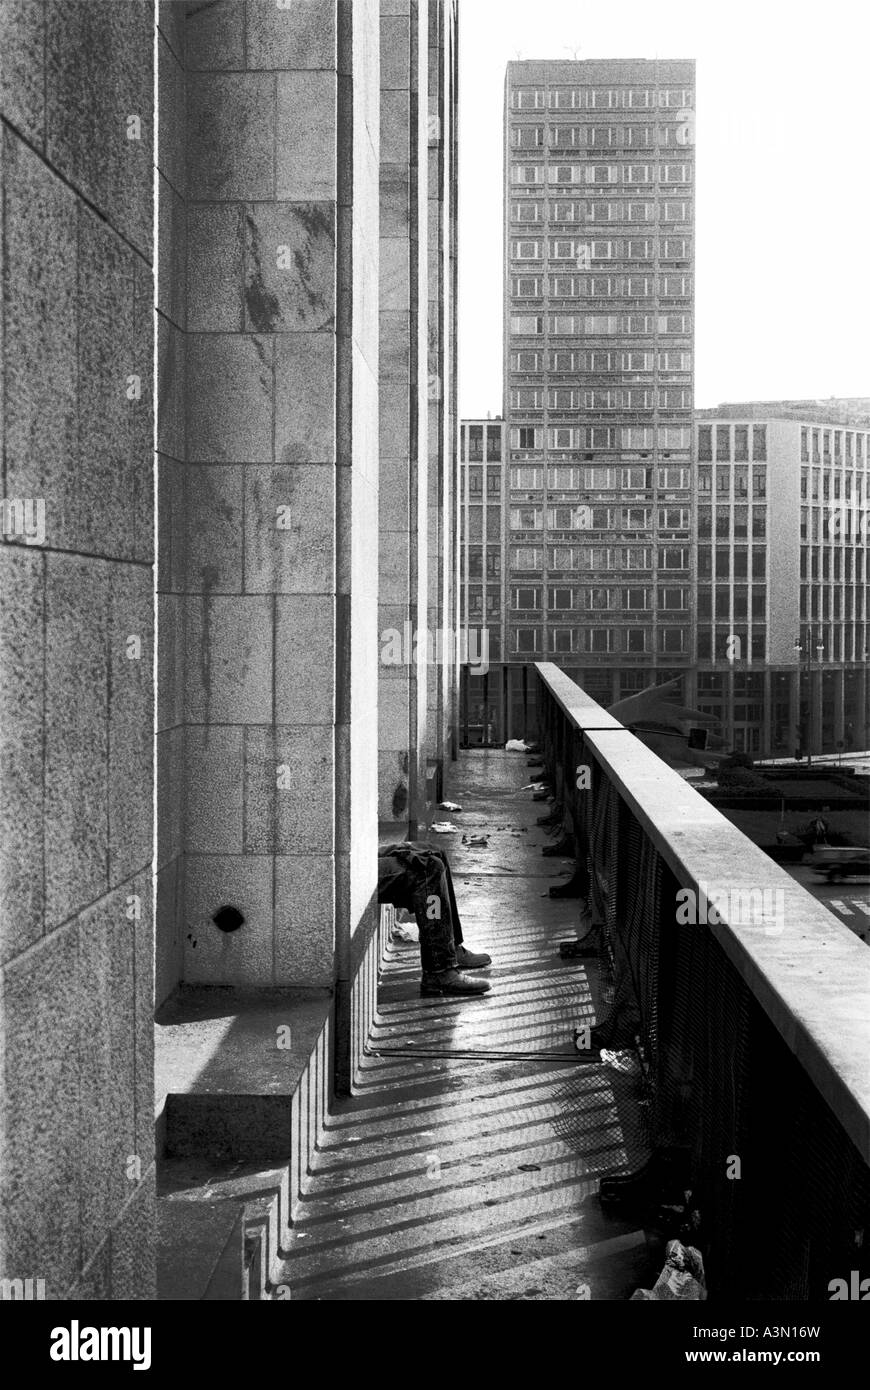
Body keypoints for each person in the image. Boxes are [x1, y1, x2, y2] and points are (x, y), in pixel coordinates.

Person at [378, 842, 492, 998]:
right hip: (349, 866)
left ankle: (451, 947)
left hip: (359, 850)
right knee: (428, 867)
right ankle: (439, 971)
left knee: (436, 851)